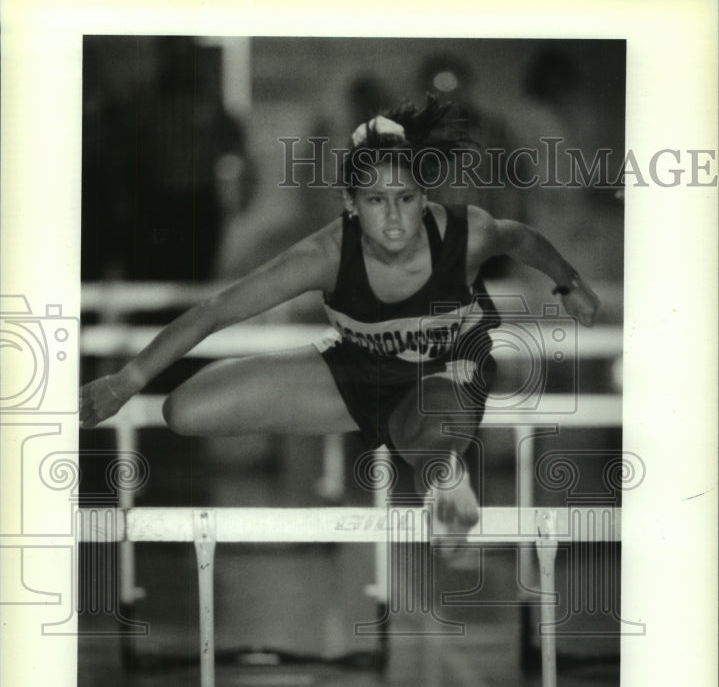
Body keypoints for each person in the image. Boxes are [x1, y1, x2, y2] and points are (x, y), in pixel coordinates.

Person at [80, 95, 599, 550]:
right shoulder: (324, 255)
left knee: (426, 424)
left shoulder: (468, 234)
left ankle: (446, 483)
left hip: (450, 368)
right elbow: (215, 311)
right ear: (351, 204)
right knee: (183, 411)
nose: (395, 219)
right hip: (359, 368)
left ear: (425, 198)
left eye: (406, 199)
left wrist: (568, 283)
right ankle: (413, 453)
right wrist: (125, 380)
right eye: (376, 201)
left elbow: (524, 239)